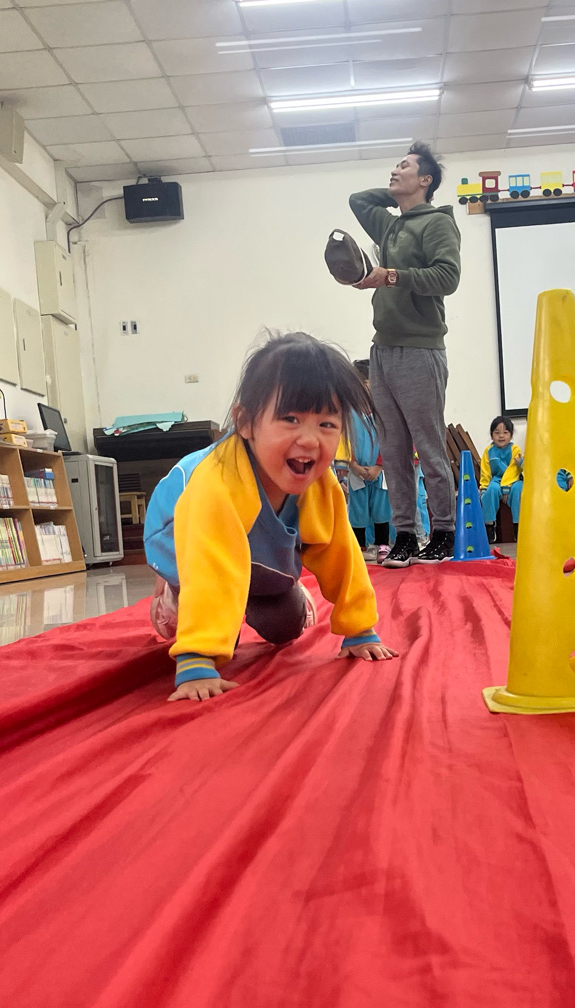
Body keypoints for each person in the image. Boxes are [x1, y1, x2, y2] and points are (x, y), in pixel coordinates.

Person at [143, 332, 398, 702]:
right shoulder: (215, 485)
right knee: (219, 632)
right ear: (246, 423)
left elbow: (341, 552)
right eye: (291, 419)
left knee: (286, 627)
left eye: (327, 424)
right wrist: (197, 659)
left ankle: (268, 590)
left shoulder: (319, 483)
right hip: (187, 542)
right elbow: (207, 565)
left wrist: (359, 629)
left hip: (259, 553)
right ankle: (173, 593)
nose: (310, 439)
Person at [349, 142, 461, 569]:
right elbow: (359, 200)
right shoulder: (391, 224)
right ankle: (405, 537)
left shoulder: (437, 223)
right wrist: (397, 194)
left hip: (420, 348)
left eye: (405, 166)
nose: (394, 171)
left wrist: (390, 275)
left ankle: (444, 533)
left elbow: (447, 277)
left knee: (429, 449)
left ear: (426, 179)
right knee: (393, 451)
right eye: (395, 166)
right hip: (383, 349)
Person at [343, 359, 392, 563]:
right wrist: (352, 465)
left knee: (382, 507)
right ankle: (360, 546)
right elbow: (344, 440)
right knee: (358, 508)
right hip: (356, 470)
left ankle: (383, 544)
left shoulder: (383, 412)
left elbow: (388, 439)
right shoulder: (348, 413)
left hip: (379, 470)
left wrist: (379, 466)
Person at [479, 416, 523, 543]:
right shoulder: (488, 451)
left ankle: (518, 527)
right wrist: (484, 488)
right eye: (497, 433)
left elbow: (513, 471)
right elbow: (485, 471)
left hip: (513, 480)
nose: (501, 436)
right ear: (491, 435)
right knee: (491, 490)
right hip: (497, 480)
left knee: (518, 489)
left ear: (511, 435)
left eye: (505, 432)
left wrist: (506, 488)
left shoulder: (515, 450)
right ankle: (489, 526)